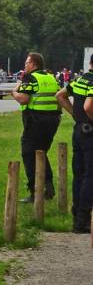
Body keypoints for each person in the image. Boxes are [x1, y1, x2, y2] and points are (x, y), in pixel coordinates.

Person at [12, 52, 61, 202]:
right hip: (53, 120)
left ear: (33, 64)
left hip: (35, 120)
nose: (25, 65)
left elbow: (24, 99)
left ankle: (35, 190)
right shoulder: (51, 78)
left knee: (28, 153)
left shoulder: (31, 78)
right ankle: (48, 184)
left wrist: (14, 92)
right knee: (41, 152)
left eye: (27, 63)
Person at [57, 52, 93, 234]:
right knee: (90, 175)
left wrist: (75, 115)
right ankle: (83, 218)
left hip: (79, 130)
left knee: (79, 173)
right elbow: (88, 105)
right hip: (90, 131)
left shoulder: (80, 80)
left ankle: (76, 213)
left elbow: (60, 95)